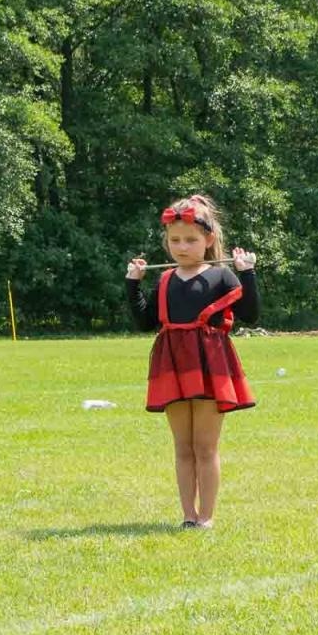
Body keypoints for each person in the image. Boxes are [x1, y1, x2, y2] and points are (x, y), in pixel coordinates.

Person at [126, 195, 259, 529]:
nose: (182, 247)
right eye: (174, 241)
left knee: (205, 446)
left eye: (190, 240)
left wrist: (248, 274)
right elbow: (145, 323)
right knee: (183, 447)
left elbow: (251, 314)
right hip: (172, 363)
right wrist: (133, 285)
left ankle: (206, 517)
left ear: (209, 240)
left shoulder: (222, 276)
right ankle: (188, 516)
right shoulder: (166, 280)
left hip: (209, 364)